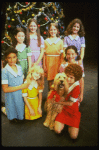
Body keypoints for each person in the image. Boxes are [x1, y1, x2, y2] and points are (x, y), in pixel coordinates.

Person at [1, 47, 30, 121]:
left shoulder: (19, 67)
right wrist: (21, 86)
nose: (12, 60)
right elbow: (5, 89)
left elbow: (22, 79)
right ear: (6, 59)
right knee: (14, 117)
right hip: (12, 97)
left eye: (14, 57)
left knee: (23, 116)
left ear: (17, 57)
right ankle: (3, 109)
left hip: (21, 95)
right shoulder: (4, 71)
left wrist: (29, 80)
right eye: (9, 58)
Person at [55, 63, 82, 140]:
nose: (69, 79)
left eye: (71, 77)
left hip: (72, 109)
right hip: (63, 108)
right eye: (68, 76)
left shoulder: (76, 86)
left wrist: (58, 102)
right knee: (57, 130)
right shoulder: (63, 81)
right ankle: (63, 124)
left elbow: (71, 103)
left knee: (73, 136)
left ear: (76, 78)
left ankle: (70, 126)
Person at [43, 23, 64, 90]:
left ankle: (56, 96)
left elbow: (62, 55)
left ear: (57, 30)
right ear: (49, 31)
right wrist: (44, 65)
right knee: (50, 80)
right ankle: (50, 95)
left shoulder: (60, 41)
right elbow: (43, 54)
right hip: (48, 62)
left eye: (54, 29)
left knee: (57, 80)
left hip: (57, 62)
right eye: (51, 30)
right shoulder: (46, 41)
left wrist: (61, 65)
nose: (53, 31)